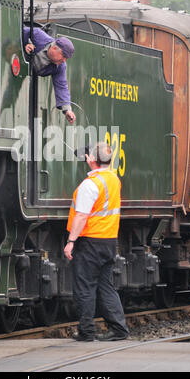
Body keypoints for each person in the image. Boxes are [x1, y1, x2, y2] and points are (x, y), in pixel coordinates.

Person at [64, 142, 129, 341]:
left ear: (91, 160)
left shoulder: (90, 185)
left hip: (89, 241)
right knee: (106, 286)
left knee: (85, 287)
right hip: (108, 241)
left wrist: (71, 241)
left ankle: (86, 332)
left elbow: (82, 216)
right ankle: (119, 329)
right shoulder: (113, 180)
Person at [23, 26, 76, 124]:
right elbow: (14, 33)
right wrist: (21, 47)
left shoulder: (61, 66)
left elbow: (61, 86)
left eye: (66, 58)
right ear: (54, 48)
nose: (64, 60)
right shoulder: (37, 34)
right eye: (63, 56)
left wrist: (67, 109)